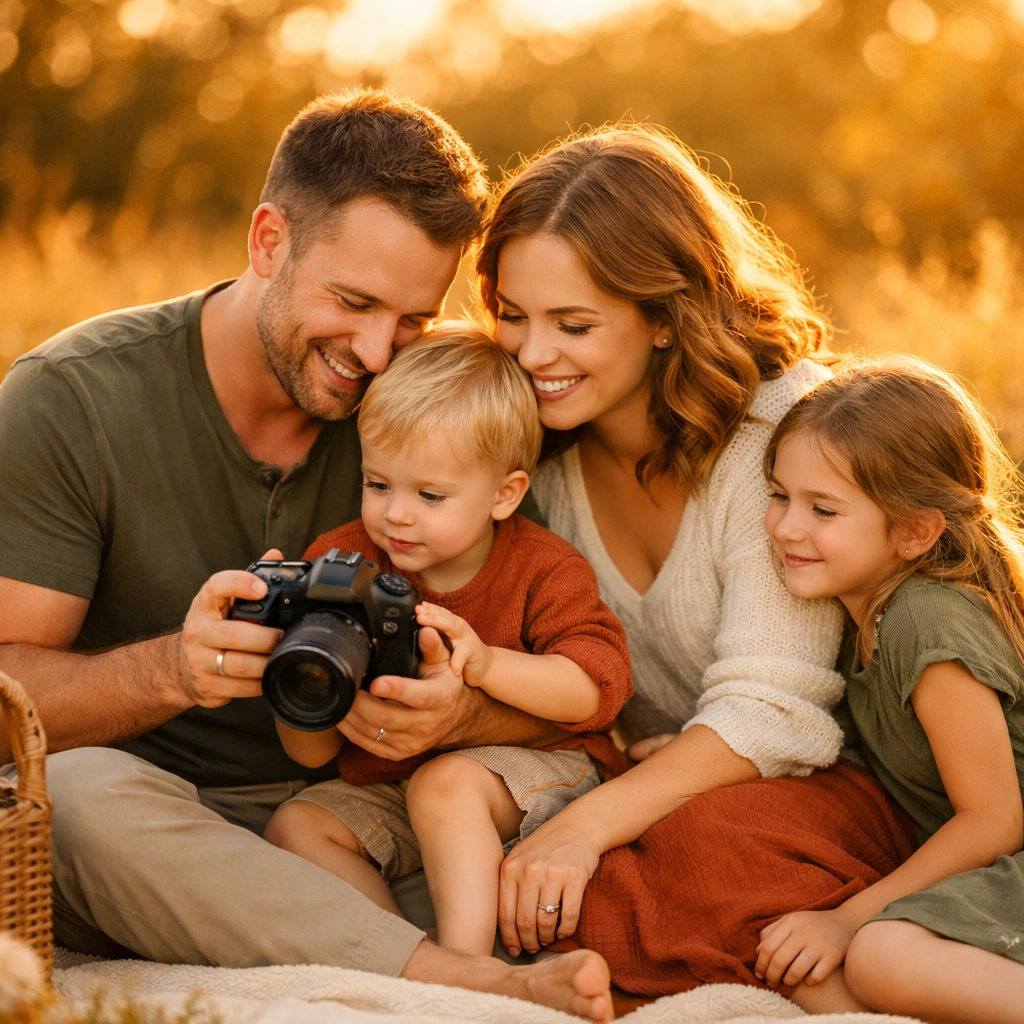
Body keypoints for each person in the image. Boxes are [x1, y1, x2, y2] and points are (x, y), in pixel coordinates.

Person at [0, 91, 615, 1022]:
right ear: (267, 240)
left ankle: (402, 960)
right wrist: (172, 669)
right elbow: (7, 697)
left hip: (369, 825)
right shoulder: (73, 400)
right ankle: (469, 987)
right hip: (160, 825)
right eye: (353, 301)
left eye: (412, 318)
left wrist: (460, 712)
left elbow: (590, 673)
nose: (375, 352)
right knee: (77, 797)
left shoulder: (435, 409)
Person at [474, 124, 917, 1010]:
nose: (531, 355)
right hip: (655, 783)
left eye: (573, 325)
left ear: (666, 315)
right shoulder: (528, 444)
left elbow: (771, 709)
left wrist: (584, 830)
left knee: (686, 852)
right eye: (512, 316)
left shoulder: (782, 435)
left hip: (820, 790)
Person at [263, 324, 633, 957]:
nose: (397, 514)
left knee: (446, 785)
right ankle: (414, 962)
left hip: (543, 774)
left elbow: (595, 691)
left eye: (429, 494)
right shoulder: (344, 562)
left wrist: (486, 665)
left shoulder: (543, 568)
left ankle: (470, 970)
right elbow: (307, 756)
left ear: (504, 494)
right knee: (297, 824)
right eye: (378, 484)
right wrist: (298, 676)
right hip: (394, 784)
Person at [758, 356, 1024, 1022]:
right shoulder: (858, 613)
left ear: (914, 532)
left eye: (823, 509)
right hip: (981, 871)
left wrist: (848, 919)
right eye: (779, 494)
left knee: (877, 958)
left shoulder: (925, 619)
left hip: (1007, 859)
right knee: (808, 978)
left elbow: (995, 818)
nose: (788, 527)